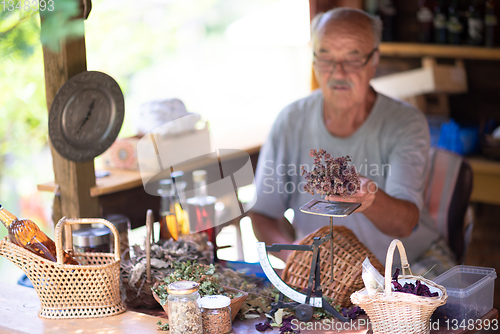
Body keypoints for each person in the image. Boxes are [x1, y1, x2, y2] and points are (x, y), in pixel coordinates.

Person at [249, 7, 443, 268]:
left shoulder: (405, 123)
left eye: (352, 60)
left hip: (403, 266)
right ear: (314, 59)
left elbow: (405, 224)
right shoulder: (290, 120)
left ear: (374, 60)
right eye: (326, 58)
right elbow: (263, 215)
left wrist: (370, 198)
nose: (338, 73)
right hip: (324, 273)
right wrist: (294, 257)